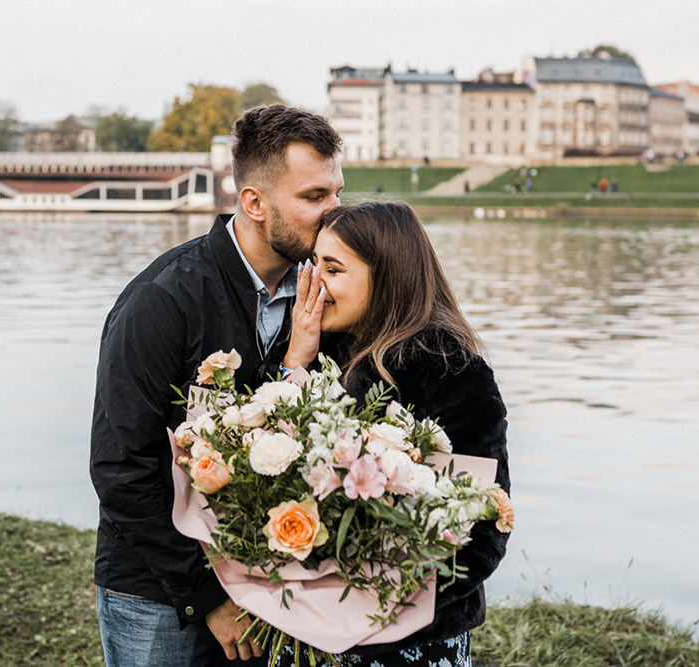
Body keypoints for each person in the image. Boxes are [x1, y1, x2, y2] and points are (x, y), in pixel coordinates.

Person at [89, 104, 344, 667]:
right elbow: (120, 469)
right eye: (314, 196)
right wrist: (207, 596)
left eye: (336, 193)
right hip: (157, 593)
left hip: (271, 590)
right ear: (253, 202)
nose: (334, 213)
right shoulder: (163, 300)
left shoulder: (323, 298)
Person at [277, 201, 510, 666]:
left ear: (386, 276)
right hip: (312, 630)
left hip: (408, 639)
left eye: (334, 268)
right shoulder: (326, 348)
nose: (313, 281)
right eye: (314, 264)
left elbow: (486, 529)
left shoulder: (449, 368)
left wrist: (376, 600)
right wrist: (296, 362)